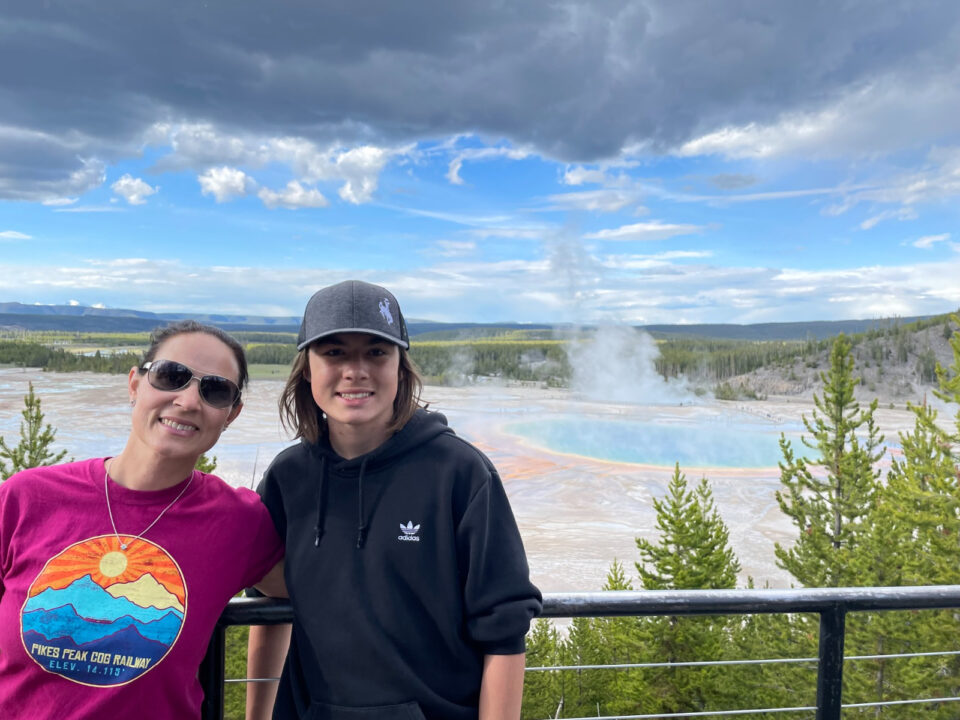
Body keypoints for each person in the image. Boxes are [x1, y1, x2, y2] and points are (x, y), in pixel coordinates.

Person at [247, 280, 541, 720]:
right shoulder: (289, 477)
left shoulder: (459, 473)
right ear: (307, 368)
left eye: (376, 352)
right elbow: (269, 606)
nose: (355, 370)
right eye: (334, 353)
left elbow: (503, 630)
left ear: (401, 366)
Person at [0, 320, 284, 719]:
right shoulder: (26, 497)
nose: (187, 401)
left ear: (231, 414)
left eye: (215, 390)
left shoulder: (239, 521)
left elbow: (306, 589)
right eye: (171, 376)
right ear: (135, 384)